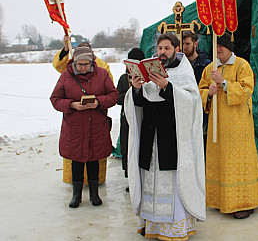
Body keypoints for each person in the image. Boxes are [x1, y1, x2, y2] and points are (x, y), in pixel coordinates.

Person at [124, 33, 206, 240]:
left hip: (172, 139)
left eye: (167, 48)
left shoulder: (184, 71)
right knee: (149, 178)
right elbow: (139, 106)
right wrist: (136, 89)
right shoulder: (150, 69)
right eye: (160, 48)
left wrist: (167, 87)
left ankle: (175, 227)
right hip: (150, 137)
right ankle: (151, 226)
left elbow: (192, 103)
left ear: (176, 50)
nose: (162, 52)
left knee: (171, 183)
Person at [198, 31, 258, 219]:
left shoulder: (242, 65)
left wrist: (224, 83)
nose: (218, 49)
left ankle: (244, 202)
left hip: (238, 125)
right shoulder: (210, 68)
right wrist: (209, 94)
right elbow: (200, 92)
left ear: (230, 48)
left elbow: (246, 90)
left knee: (239, 163)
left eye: (222, 45)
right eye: (216, 45)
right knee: (220, 160)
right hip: (217, 126)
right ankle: (221, 200)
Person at [50, 46, 119, 208]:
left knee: (94, 158)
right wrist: (72, 105)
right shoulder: (66, 76)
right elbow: (55, 99)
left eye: (86, 64)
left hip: (96, 124)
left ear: (92, 62)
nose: (83, 68)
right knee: (77, 160)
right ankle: (76, 195)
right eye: (79, 64)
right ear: (74, 63)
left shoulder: (102, 74)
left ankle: (95, 194)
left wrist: (98, 102)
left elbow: (113, 95)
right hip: (75, 126)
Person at [117, 47, 145, 191]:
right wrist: (131, 91)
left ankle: (143, 178)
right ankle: (131, 179)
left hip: (143, 117)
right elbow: (117, 98)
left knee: (141, 147)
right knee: (128, 147)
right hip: (127, 118)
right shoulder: (123, 78)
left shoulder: (147, 78)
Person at [183, 31, 211, 156]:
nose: (184, 47)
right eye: (182, 44)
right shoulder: (179, 65)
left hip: (201, 112)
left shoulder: (206, 65)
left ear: (196, 44)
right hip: (184, 112)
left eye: (188, 44)